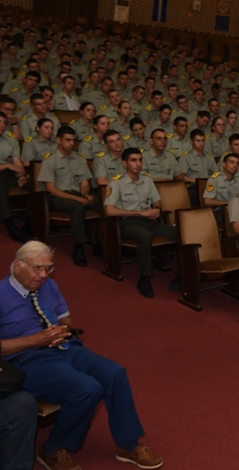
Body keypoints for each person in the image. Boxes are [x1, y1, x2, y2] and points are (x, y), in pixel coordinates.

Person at [0, 241, 163, 469]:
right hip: (27, 359)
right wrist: (36, 340)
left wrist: (62, 329)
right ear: (17, 266)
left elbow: (65, 318)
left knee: (115, 373)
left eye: (48, 268)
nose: (43, 274)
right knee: (87, 388)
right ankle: (52, 449)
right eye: (37, 267)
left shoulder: (48, 286)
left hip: (65, 347)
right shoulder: (1, 295)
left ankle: (128, 443)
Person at [103, 148, 178, 298]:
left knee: (180, 233)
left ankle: (183, 275)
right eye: (133, 160)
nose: (138, 164)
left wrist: (156, 210)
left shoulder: (148, 180)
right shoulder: (116, 183)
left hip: (149, 220)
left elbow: (157, 202)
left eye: (140, 160)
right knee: (145, 236)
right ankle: (145, 278)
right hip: (127, 223)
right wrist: (140, 213)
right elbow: (109, 211)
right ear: (124, 163)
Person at [36, 126, 97, 267]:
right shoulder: (50, 160)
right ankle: (79, 247)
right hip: (57, 198)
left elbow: (84, 183)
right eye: (67, 140)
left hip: (77, 194)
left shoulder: (79, 158)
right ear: (58, 140)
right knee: (77, 206)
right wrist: (79, 199)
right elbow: (51, 189)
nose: (71, 143)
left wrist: (86, 194)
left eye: (73, 140)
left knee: (103, 204)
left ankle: (102, 243)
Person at [0, 112, 29, 242]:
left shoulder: (10, 138)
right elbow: (10, 165)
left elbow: (17, 163)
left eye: (4, 123)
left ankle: (31, 222)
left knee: (34, 183)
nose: (2, 126)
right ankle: (10, 225)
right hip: (3, 172)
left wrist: (20, 176)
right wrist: (6, 165)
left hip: (9, 173)